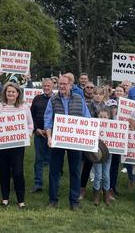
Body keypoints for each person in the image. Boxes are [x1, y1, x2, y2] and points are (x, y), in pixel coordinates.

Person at [44, 75, 91, 210]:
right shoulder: (53, 100)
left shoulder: (79, 99)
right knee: (54, 171)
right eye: (60, 84)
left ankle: (74, 201)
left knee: (75, 171)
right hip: (57, 141)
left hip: (74, 141)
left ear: (71, 85)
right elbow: (48, 120)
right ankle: (53, 200)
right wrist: (49, 137)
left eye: (65, 84)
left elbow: (86, 118)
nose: (62, 86)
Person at [0, 83, 34, 209]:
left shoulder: (24, 107)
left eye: (13, 92)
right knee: (4, 171)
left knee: (18, 172)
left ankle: (21, 201)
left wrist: (28, 134)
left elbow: (30, 124)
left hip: (17, 146)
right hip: (2, 145)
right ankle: (5, 198)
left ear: (18, 94)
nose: (10, 94)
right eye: (8, 91)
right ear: (5, 93)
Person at [30, 78, 54, 193]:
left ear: (53, 86)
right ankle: (38, 183)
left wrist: (51, 131)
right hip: (39, 134)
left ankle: (52, 184)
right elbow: (31, 116)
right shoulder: (37, 99)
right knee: (38, 159)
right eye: (44, 86)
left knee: (53, 161)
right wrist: (36, 129)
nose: (46, 88)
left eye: (48, 86)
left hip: (53, 134)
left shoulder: (56, 100)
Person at [92, 108, 114, 206]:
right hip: (97, 154)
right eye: (101, 117)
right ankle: (96, 195)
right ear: (97, 117)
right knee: (98, 175)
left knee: (106, 175)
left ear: (109, 117)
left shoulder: (113, 127)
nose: (103, 119)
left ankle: (106, 195)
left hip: (108, 154)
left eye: (105, 117)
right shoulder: (94, 127)